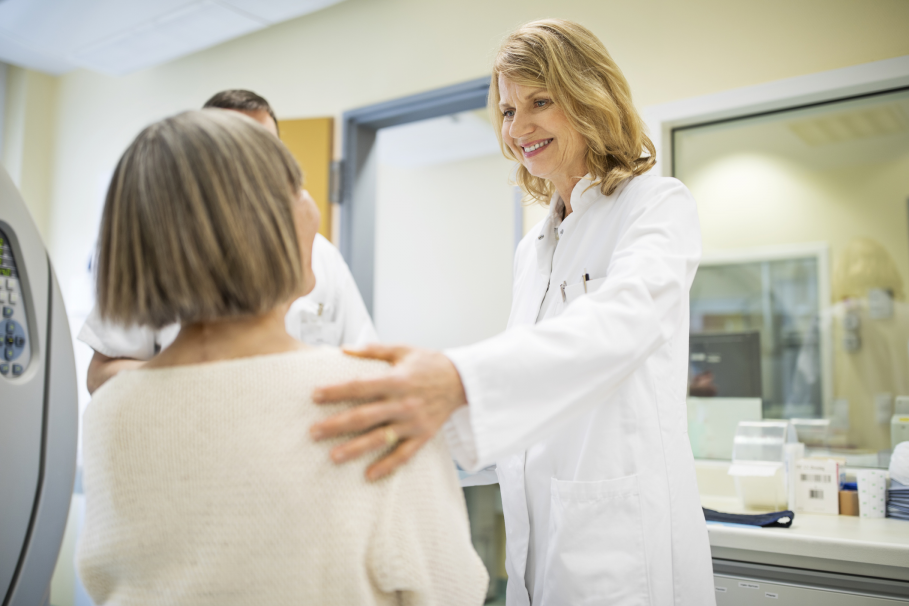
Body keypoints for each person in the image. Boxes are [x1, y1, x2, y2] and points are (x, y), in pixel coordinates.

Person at [309, 19, 716, 606]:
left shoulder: (656, 206)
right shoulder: (536, 246)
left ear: (589, 96)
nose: (518, 127)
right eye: (506, 111)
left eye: (540, 102)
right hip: (540, 536)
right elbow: (533, 385)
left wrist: (456, 379)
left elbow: (619, 326)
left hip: (623, 542)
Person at [75, 109, 488, 605]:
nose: (312, 207)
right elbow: (452, 591)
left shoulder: (110, 415)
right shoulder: (378, 401)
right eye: (297, 187)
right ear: (264, 226)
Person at [79, 89, 377, 394]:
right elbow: (101, 376)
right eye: (238, 150)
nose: (255, 170)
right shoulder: (160, 248)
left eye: (266, 151)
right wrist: (200, 377)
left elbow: (367, 362)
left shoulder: (319, 254)